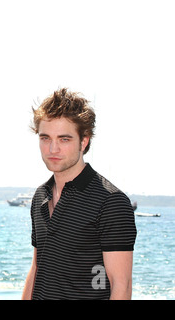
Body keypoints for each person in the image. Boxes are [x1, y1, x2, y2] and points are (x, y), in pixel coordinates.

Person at [22, 88, 137, 300]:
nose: (52, 149)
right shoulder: (40, 196)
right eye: (45, 138)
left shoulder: (111, 202)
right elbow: (36, 268)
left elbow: (122, 286)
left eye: (64, 139)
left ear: (83, 142)